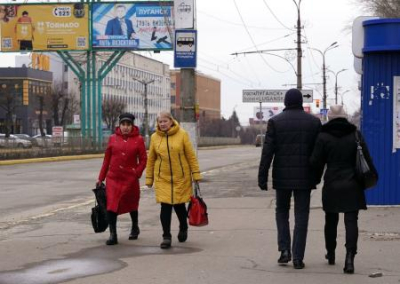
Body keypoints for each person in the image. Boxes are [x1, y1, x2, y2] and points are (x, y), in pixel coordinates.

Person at [310, 105, 378, 274]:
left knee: (331, 220)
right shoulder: (355, 135)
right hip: (352, 184)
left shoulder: (323, 136)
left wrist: (315, 179)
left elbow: (315, 162)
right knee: (351, 221)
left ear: (330, 118)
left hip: (332, 184)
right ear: (345, 117)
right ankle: (349, 259)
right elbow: (367, 159)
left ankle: (331, 253)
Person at [258, 88, 321, 269]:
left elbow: (267, 151)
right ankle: (298, 258)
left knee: (282, 211)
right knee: (302, 216)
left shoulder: (275, 122)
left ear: (285, 102)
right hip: (305, 177)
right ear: (301, 101)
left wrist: (262, 177)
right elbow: (319, 154)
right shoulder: (313, 122)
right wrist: (316, 177)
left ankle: (284, 250)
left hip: (282, 177)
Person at [146, 111, 202, 249]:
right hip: (162, 178)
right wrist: (149, 178)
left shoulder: (182, 134)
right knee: (165, 206)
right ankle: (166, 236)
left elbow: (191, 156)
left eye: (165, 121)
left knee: (179, 207)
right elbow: (151, 159)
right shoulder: (154, 137)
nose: (163, 124)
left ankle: (183, 227)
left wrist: (196, 175)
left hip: (180, 178)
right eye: (160, 122)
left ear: (171, 121)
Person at [97, 113, 147, 245]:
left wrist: (136, 173)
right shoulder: (112, 138)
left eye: (128, 124)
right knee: (111, 205)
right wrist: (101, 178)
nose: (125, 127)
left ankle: (135, 226)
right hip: (113, 178)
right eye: (123, 124)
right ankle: (113, 234)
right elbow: (106, 159)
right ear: (119, 125)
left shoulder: (139, 139)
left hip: (130, 178)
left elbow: (143, 160)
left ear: (132, 125)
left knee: (132, 204)